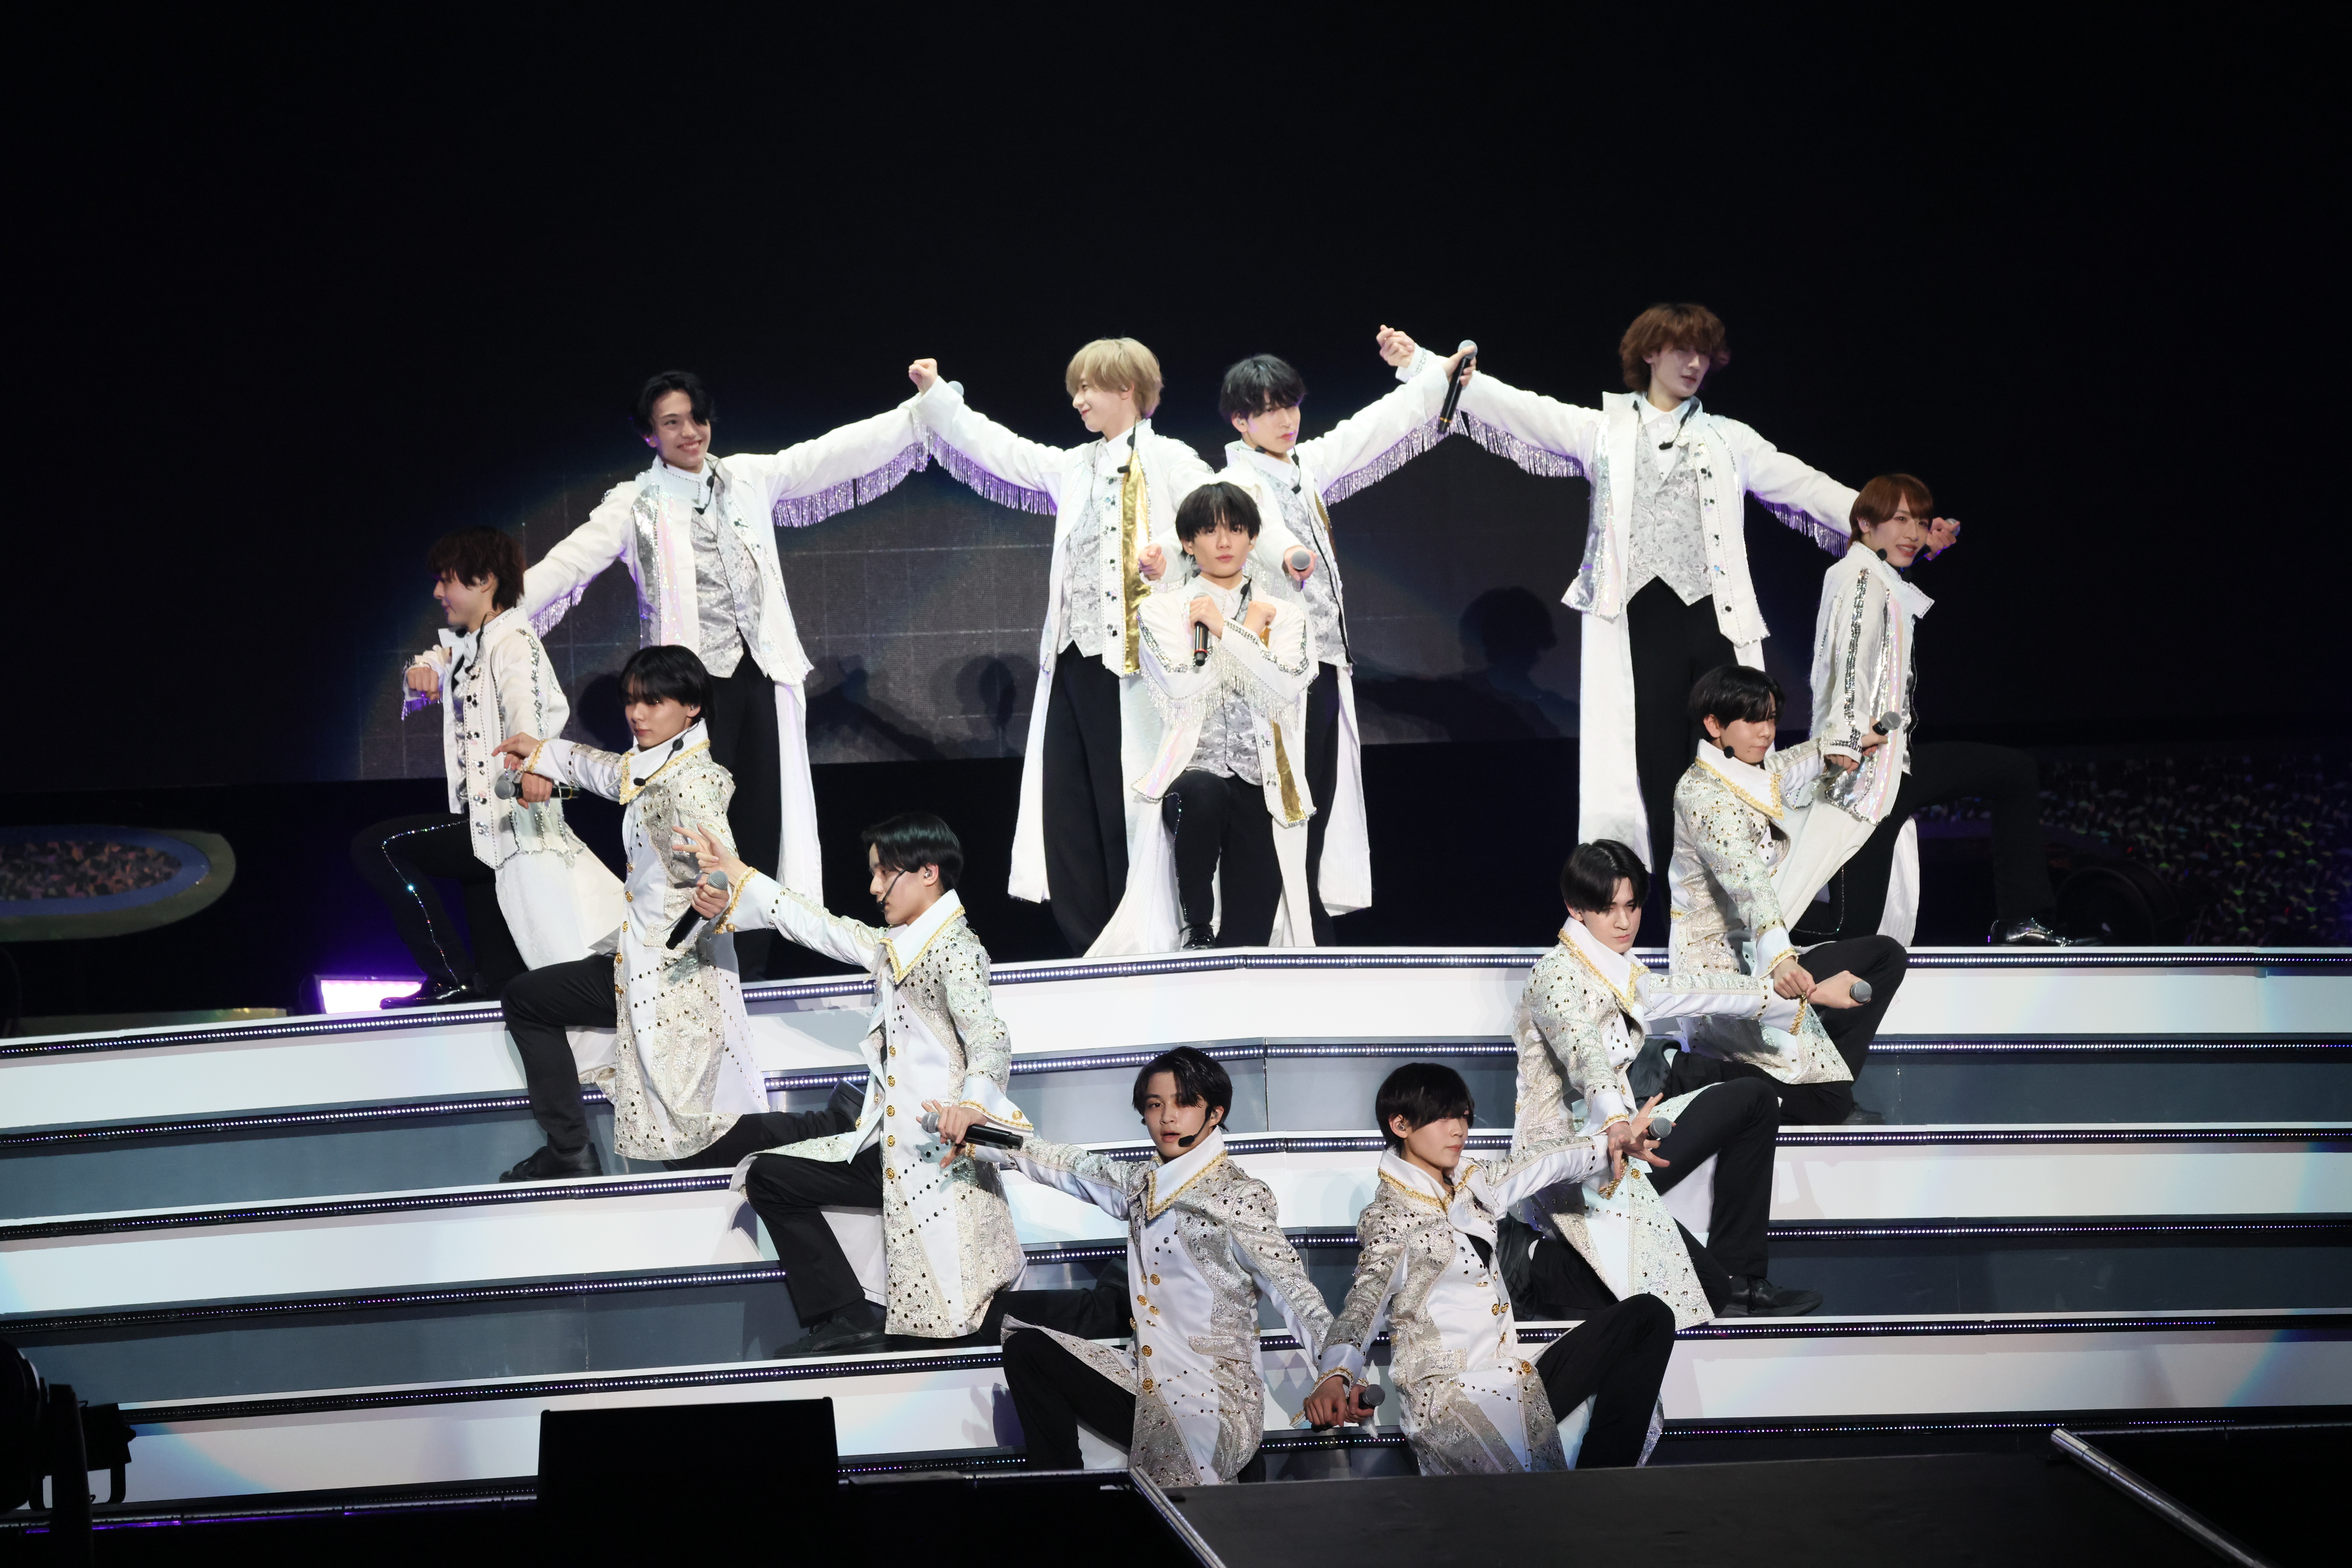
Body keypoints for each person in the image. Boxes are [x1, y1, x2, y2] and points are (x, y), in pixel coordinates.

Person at [1423, 306, 1959, 938]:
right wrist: (1437, 371)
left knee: (1733, 760)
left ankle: (1742, 913)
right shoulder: (1605, 428)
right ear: (1649, 354)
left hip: (1715, 617)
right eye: (1681, 350)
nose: (1694, 363)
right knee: (1657, 767)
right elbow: (1530, 412)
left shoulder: (1730, 439)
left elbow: (1806, 486)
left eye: (1704, 353)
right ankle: (1671, 918)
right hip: (1641, 621)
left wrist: (1903, 526)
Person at [413, 370, 939, 977]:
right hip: (690, 696)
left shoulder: (745, 478)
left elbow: (830, 455)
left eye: (696, 418)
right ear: (649, 436)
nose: (690, 432)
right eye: (672, 423)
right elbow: (554, 575)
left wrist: (919, 414)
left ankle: (756, 973)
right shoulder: (634, 503)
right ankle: (701, 973)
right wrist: (447, 651)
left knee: (760, 832)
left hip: (760, 679)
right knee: (696, 841)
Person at [906, 344, 1310, 956]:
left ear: (1126, 389)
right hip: (1073, 659)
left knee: (1133, 810)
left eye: (1088, 388)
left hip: (1138, 669)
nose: (1077, 400)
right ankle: (1090, 944)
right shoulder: (1074, 466)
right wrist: (939, 398)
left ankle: (1145, 944)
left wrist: (1263, 553)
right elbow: (1003, 450)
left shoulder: (1169, 458)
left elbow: (1228, 509)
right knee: (1067, 811)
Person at [677, 811, 1028, 1357]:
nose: (873, 888)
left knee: (967, 1326)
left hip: (934, 1158)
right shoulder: (899, 948)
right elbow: (821, 926)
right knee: (770, 1176)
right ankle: (841, 1317)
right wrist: (743, 875)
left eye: (884, 873)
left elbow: (989, 1036)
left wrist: (972, 1104)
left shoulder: (957, 950)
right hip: (889, 1151)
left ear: (928, 872)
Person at [1510, 840, 1855, 1325]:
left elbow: (1700, 991)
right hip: (1572, 1168)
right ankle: (1537, 1267)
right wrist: (1614, 1120)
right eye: (1609, 909)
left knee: (1754, 1098)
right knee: (1697, 1292)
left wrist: (1810, 993)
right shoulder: (1554, 976)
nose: (1625, 922)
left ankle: (1743, 1279)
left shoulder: (1623, 971)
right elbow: (1584, 1053)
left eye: (1631, 906)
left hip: (1629, 1142)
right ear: (1576, 908)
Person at [971, 1046, 1330, 1485]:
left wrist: (1335, 1371)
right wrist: (979, 1135)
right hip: (1148, 1375)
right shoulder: (1144, 1182)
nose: (1167, 1117)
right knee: (1029, 1350)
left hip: (1213, 1394)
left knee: (1183, 1518)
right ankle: (1061, 1501)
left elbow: (1296, 1291)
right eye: (1155, 1105)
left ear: (1214, 1113)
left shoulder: (1240, 1197)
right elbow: (1067, 1164)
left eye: (1184, 1103)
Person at [1210, 336, 1468, 939]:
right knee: (1279, 796)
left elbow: (1372, 428)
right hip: (1272, 668)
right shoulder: (1238, 479)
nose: (1285, 420)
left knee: (1318, 795)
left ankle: (1307, 919)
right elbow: (1263, 529)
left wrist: (1431, 377)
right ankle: (1271, 925)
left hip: (1324, 661)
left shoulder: (1306, 466)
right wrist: (1293, 554)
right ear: (1241, 420)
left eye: (1290, 405)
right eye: (1268, 410)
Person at [1303, 1063, 1677, 1472]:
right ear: (1400, 1124)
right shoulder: (1391, 1218)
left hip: (1510, 1379)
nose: (1459, 1128)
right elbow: (1364, 1303)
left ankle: (1601, 1485)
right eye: (1443, 1116)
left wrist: (1612, 1141)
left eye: (1463, 1115)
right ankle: (1587, 1499)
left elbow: (1545, 1162)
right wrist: (1336, 1373)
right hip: (1449, 1403)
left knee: (1648, 1317)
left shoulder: (1472, 1184)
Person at [486, 645, 768, 1180]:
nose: (637, 714)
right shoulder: (659, 764)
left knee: (699, 1144)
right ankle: (570, 1151)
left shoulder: (693, 783)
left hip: (674, 982)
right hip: (638, 966)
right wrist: (543, 751)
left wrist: (714, 895)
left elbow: (720, 867)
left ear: (691, 708)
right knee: (528, 1000)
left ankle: (826, 1124)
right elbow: (611, 774)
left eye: (653, 702)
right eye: (632, 702)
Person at [1788, 475, 2071, 946]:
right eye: (1901, 520)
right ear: (1864, 522)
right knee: (1850, 927)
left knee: (2012, 773)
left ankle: (2021, 919)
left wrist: (1921, 551)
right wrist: (1845, 736)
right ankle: (1740, 938)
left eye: (1920, 522)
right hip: (1865, 773)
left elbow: (1895, 595)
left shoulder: (1877, 576)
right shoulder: (1860, 579)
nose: (1914, 533)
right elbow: (1850, 656)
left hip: (1897, 767)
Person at [357, 526, 622, 1007]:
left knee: (380, 847)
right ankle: (466, 986)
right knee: (502, 982)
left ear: (485, 581)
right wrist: (420, 670)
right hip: (484, 830)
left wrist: (535, 765)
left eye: (448, 581)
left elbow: (528, 707)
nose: (439, 592)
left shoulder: (513, 642)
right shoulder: (470, 643)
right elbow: (437, 657)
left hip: (508, 825)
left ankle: (448, 975)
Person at [1666, 664, 1908, 1125]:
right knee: (1830, 1106)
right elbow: (1748, 883)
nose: (1765, 732)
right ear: (1715, 725)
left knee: (1885, 957)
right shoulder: (1703, 795)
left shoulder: (1745, 773)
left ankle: (1819, 1075)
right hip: (1720, 976)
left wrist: (1857, 740)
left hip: (1764, 954)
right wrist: (1780, 960)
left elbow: (1790, 765)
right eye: (1752, 719)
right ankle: (1691, 1074)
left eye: (1771, 718)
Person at [1108, 482, 1317, 951]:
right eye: (1210, 531)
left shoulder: (1284, 613)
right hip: (1192, 773)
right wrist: (1248, 637)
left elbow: (1286, 685)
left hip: (1262, 782)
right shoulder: (1162, 609)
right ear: (1187, 542)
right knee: (1202, 793)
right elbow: (1183, 687)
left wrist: (1227, 630)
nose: (1224, 543)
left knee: (1249, 939)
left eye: (1237, 530)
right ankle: (1195, 923)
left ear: (1252, 538)